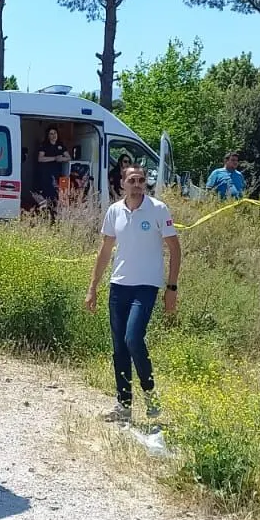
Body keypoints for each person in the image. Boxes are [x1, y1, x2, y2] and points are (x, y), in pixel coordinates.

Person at [85, 165, 181, 428]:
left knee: (133, 338)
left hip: (146, 286)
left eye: (141, 180)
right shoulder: (114, 211)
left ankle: (150, 395)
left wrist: (171, 289)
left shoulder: (158, 209)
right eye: (132, 180)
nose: (137, 184)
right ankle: (124, 405)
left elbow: (175, 250)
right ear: (122, 184)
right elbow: (104, 251)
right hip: (119, 285)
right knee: (119, 349)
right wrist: (93, 286)